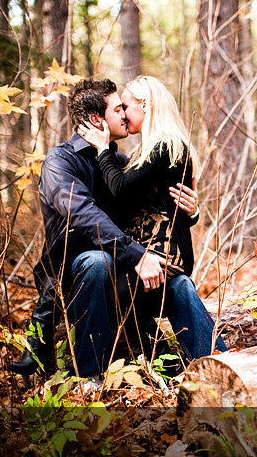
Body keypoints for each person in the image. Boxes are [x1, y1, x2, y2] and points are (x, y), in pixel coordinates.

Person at [8, 78, 221, 378]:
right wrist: (137, 256)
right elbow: (84, 215)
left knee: (179, 283)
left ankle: (222, 363)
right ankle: (92, 375)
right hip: (75, 275)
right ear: (97, 119)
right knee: (98, 260)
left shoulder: (118, 161)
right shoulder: (60, 162)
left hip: (121, 271)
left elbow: (152, 205)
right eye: (118, 108)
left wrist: (191, 210)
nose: (124, 114)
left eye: (125, 107)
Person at [77, 75, 227, 364]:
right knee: (177, 289)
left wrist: (103, 149)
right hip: (154, 254)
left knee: (112, 299)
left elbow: (119, 188)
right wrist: (192, 212)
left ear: (144, 105)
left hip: (164, 255)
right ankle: (191, 364)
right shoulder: (149, 151)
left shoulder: (166, 146)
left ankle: (131, 367)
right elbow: (157, 204)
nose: (121, 113)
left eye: (125, 106)